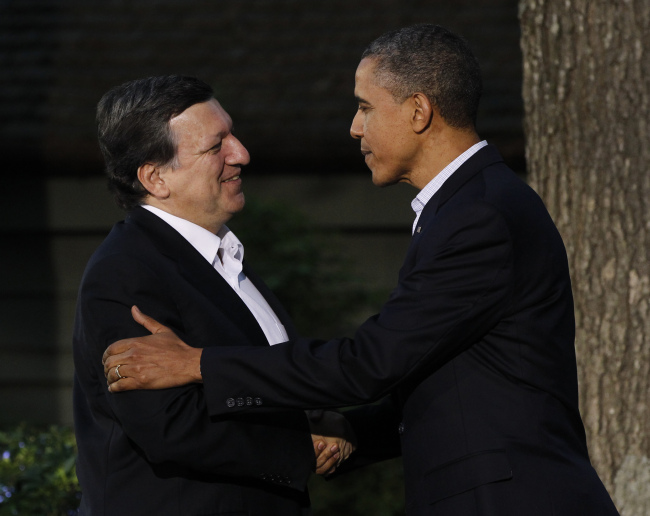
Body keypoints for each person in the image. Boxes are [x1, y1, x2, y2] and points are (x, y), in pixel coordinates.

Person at [102, 26, 620, 515]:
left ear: (418, 111)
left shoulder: (478, 217)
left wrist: (198, 364)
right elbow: (437, 384)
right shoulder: (468, 207)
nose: (354, 127)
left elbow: (368, 362)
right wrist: (343, 433)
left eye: (366, 107)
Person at [72, 75, 352, 516]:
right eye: (215, 145)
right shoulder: (125, 272)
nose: (241, 154)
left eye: (233, 135)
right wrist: (299, 447)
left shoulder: (224, 256)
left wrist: (324, 421)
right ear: (155, 177)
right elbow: (168, 423)